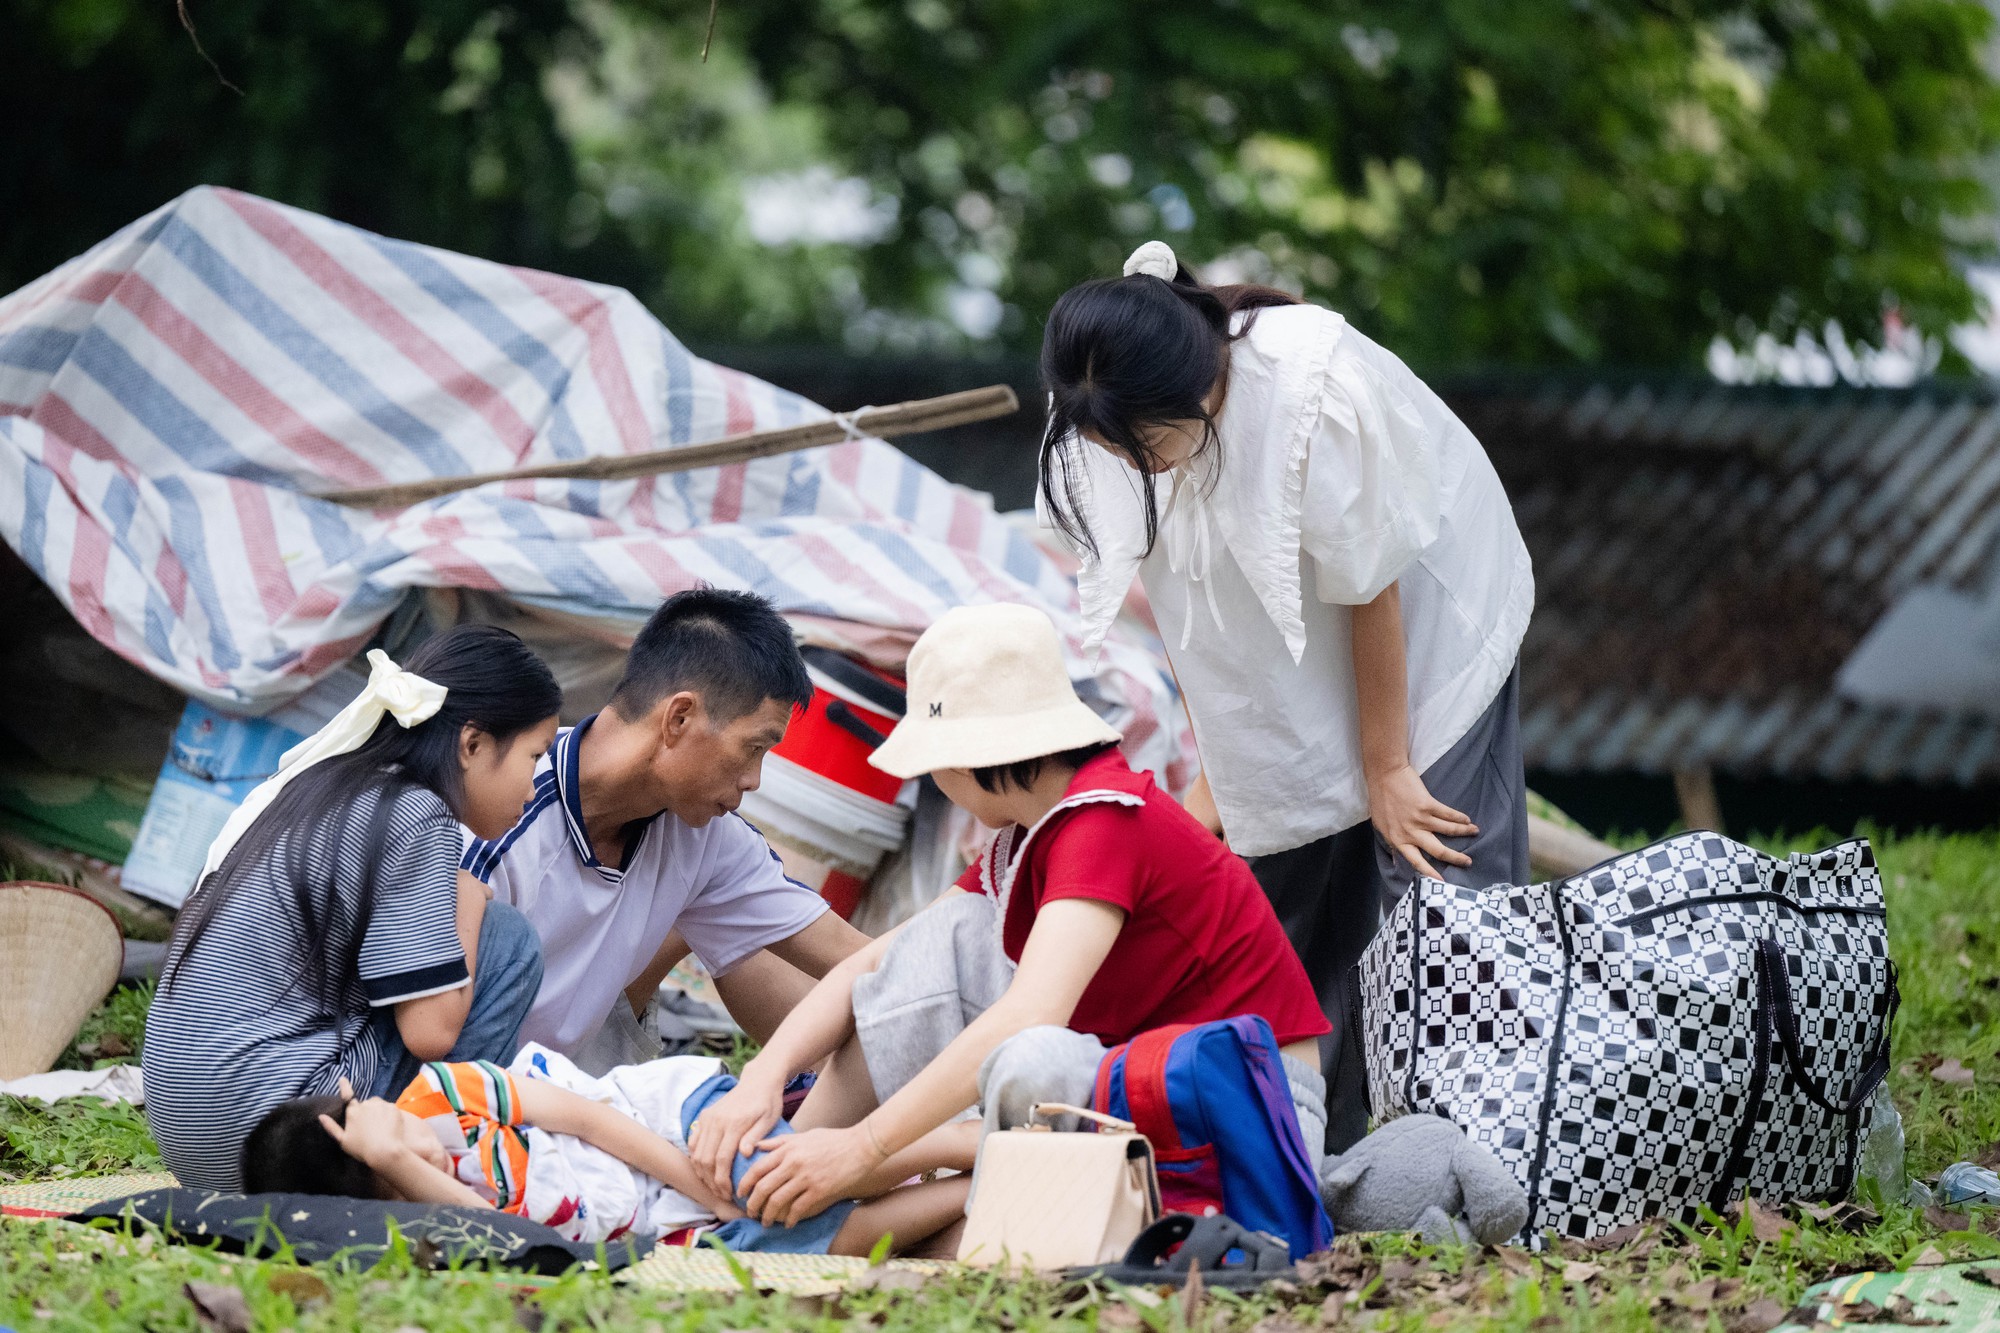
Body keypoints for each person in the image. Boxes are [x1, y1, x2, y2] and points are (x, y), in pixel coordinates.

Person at [1035, 239, 1536, 1152]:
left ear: (1190, 394)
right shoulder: (1103, 415)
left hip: (1422, 605)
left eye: (1143, 446)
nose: (1134, 467)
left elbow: (1371, 584)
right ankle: (1331, 1158)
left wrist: (1387, 765)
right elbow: (1186, 617)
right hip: (1282, 641)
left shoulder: (1311, 395)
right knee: (1286, 897)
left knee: (1428, 876)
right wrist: (1223, 773)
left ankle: (1478, 1156)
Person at [682, 603, 1330, 1229]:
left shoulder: (1105, 821)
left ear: (963, 756)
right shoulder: (1031, 834)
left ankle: (842, 1166)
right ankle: (789, 1158)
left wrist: (868, 1147)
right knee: (952, 938)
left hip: (1251, 1112)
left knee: (1032, 1057)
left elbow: (1029, 1015)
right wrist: (762, 1080)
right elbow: (882, 960)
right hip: (1149, 1088)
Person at [144, 627, 562, 1189]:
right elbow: (431, 1035)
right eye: (534, 756)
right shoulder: (416, 815)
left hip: (193, 1139)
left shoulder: (324, 783)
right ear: (472, 744)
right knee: (505, 940)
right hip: (287, 1145)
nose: (534, 786)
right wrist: (464, 897)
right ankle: (442, 1171)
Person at [463, 587, 869, 1063]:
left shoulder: (704, 835)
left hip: (553, 1090)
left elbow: (849, 953)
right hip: (454, 1093)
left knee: (745, 937)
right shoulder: (500, 819)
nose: (754, 780)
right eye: (753, 748)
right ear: (679, 717)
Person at [239, 1045, 972, 1257]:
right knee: (789, 1241)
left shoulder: (441, 1092)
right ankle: (978, 1186)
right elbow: (513, 1242)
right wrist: (397, 1163)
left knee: (771, 1178)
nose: (420, 1147)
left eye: (398, 1130)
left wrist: (706, 1182)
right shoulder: (421, 1231)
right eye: (398, 1167)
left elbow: (591, 1119)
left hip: (667, 1130)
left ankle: (968, 1141)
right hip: (663, 1221)